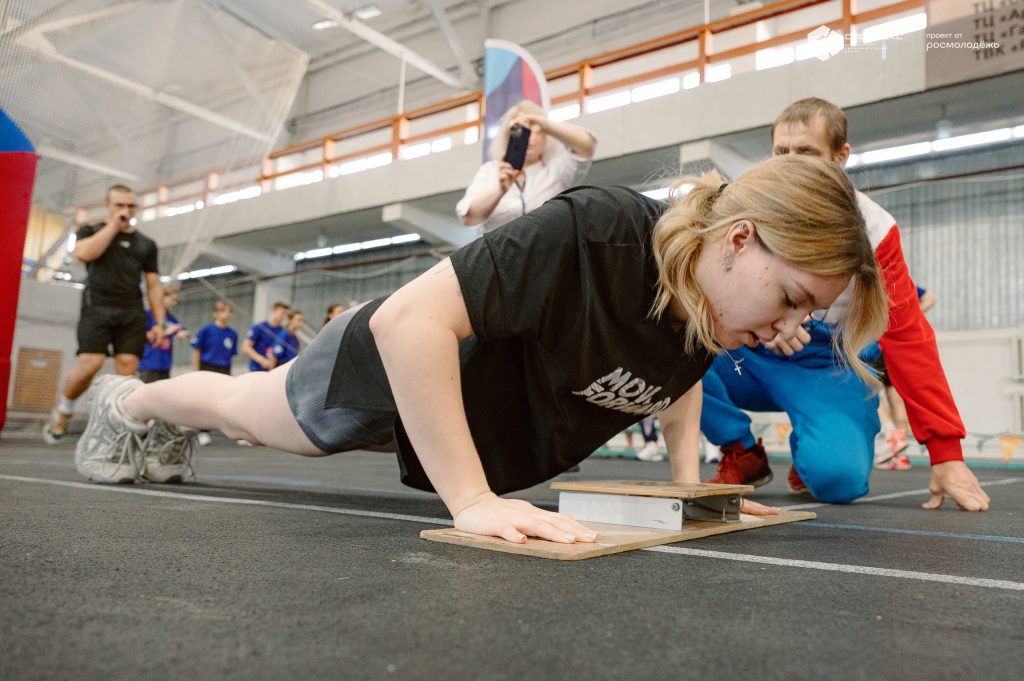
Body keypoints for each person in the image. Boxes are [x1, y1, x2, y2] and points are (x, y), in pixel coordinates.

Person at [73, 155, 887, 543]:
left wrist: (687, 493)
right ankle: (129, 403)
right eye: (792, 299)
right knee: (247, 412)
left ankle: (150, 415)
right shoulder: (599, 231)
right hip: (391, 367)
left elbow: (673, 383)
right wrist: (471, 501)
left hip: (456, 416)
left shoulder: (706, 312)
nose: (790, 328)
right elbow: (407, 324)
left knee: (252, 413)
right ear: (739, 239)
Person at [700, 97, 989, 512]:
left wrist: (946, 454)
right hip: (750, 353)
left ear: (840, 156)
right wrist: (764, 318)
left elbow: (908, 337)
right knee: (675, 340)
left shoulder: (876, 232)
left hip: (827, 363)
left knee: (839, 481)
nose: (791, 164)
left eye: (807, 152)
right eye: (782, 152)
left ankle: (815, 447)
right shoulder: (744, 203)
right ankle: (740, 449)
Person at [42, 184, 165, 444]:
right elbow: (84, 253)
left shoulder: (146, 244)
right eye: (119, 205)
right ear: (108, 206)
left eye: (130, 206)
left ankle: (119, 428)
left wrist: (159, 322)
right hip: (97, 308)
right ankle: (63, 411)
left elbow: (153, 285)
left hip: (131, 311)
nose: (125, 210)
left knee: (128, 368)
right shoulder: (90, 231)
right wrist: (113, 227)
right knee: (90, 364)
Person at [456, 100, 596, 234]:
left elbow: (586, 146)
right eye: (523, 131)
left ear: (546, 138)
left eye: (537, 131)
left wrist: (545, 124)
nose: (530, 138)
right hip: (499, 250)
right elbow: (469, 218)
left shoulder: (557, 172)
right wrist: (500, 190)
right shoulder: (490, 171)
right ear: (508, 136)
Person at [871, 285, 937, 470]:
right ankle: (900, 455)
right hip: (896, 348)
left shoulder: (885, 282)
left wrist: (906, 318)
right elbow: (931, 297)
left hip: (879, 345)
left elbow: (931, 297)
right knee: (895, 397)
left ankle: (890, 433)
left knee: (869, 390)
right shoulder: (899, 285)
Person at [138, 286, 188, 384]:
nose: (174, 303)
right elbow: (142, 336)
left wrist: (181, 332)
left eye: (176, 300)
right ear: (162, 297)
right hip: (149, 363)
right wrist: (165, 332)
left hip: (165, 365)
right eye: (172, 299)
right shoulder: (148, 314)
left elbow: (180, 328)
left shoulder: (170, 318)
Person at [191, 301, 238, 375]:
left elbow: (230, 356)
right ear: (215, 313)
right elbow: (197, 351)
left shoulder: (233, 334)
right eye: (223, 311)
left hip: (224, 369)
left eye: (229, 311)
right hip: (207, 367)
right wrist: (195, 371)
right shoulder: (206, 330)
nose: (226, 314)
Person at [242, 302, 289, 372]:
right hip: (257, 369)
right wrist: (262, 360)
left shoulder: (283, 332)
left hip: (274, 369)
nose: (284, 317)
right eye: (282, 313)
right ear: (274, 311)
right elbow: (246, 347)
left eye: (286, 315)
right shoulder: (259, 327)